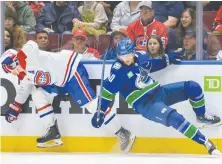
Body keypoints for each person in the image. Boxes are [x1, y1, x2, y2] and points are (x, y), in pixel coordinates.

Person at [91, 38, 221, 155]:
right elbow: (107, 94)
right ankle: (207, 144)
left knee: (193, 87)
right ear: (118, 55)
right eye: (122, 55)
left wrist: (167, 60)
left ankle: (201, 116)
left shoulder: (140, 56)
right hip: (146, 105)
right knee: (175, 118)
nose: (126, 58)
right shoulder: (117, 71)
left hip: (160, 92)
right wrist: (100, 111)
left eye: (128, 54)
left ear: (133, 51)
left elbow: (152, 65)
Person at [1, 41, 136, 152]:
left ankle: (123, 133)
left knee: (91, 105)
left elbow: (31, 45)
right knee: (38, 94)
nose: (14, 70)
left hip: (70, 70)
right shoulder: (23, 73)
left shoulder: (26, 54)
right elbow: (26, 87)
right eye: (10, 69)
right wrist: (15, 107)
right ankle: (52, 131)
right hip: (57, 78)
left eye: (12, 65)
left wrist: (18, 61)